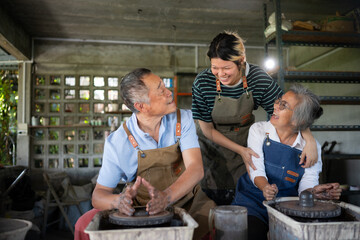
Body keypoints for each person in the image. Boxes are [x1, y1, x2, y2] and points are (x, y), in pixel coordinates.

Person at [75, 68, 216, 240]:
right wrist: (118, 202)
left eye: (165, 87)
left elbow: (196, 169)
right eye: (161, 91)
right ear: (142, 106)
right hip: (142, 209)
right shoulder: (118, 142)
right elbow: (98, 195)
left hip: (188, 201)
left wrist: (166, 197)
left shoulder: (183, 119)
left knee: (215, 220)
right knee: (83, 224)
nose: (169, 93)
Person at [191, 31, 319, 205]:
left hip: (244, 142)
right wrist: (240, 150)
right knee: (211, 195)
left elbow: (290, 111)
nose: (220, 74)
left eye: (226, 68)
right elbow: (207, 129)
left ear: (241, 60)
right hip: (211, 144)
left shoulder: (258, 79)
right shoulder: (202, 82)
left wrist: (310, 140)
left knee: (241, 193)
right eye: (215, 67)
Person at [232, 84, 342, 240]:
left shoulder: (311, 147)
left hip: (287, 206)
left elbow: (306, 185)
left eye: (283, 105)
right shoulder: (259, 130)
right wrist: (265, 187)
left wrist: (315, 192)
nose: (275, 106)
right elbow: (256, 169)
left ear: (298, 120)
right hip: (252, 202)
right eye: (278, 101)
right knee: (252, 234)